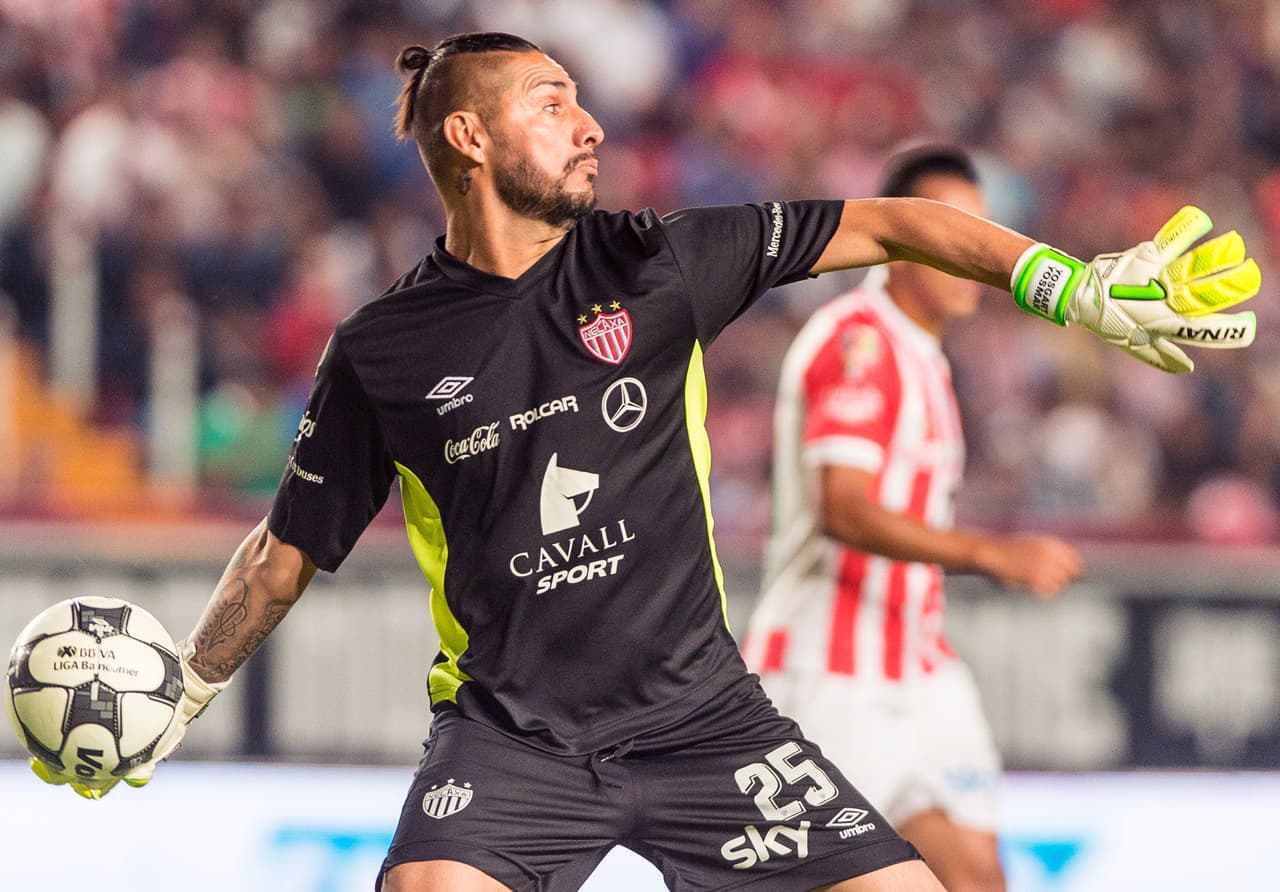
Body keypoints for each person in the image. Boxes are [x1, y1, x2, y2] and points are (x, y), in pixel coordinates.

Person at [29, 31, 1258, 892]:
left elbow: (892, 222)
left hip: (706, 721)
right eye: (552, 101)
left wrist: (1071, 283)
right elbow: (287, 550)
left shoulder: (652, 259)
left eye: (583, 100)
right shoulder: (382, 350)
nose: (591, 123)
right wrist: (185, 691)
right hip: (513, 739)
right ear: (469, 134)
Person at [740, 144, 1083, 892]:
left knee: (977, 877)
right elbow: (845, 507)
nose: (970, 256)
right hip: (828, 675)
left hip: (919, 668)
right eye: (950, 232)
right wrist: (993, 555)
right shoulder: (858, 340)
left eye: (981, 232)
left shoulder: (924, 353)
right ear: (900, 240)